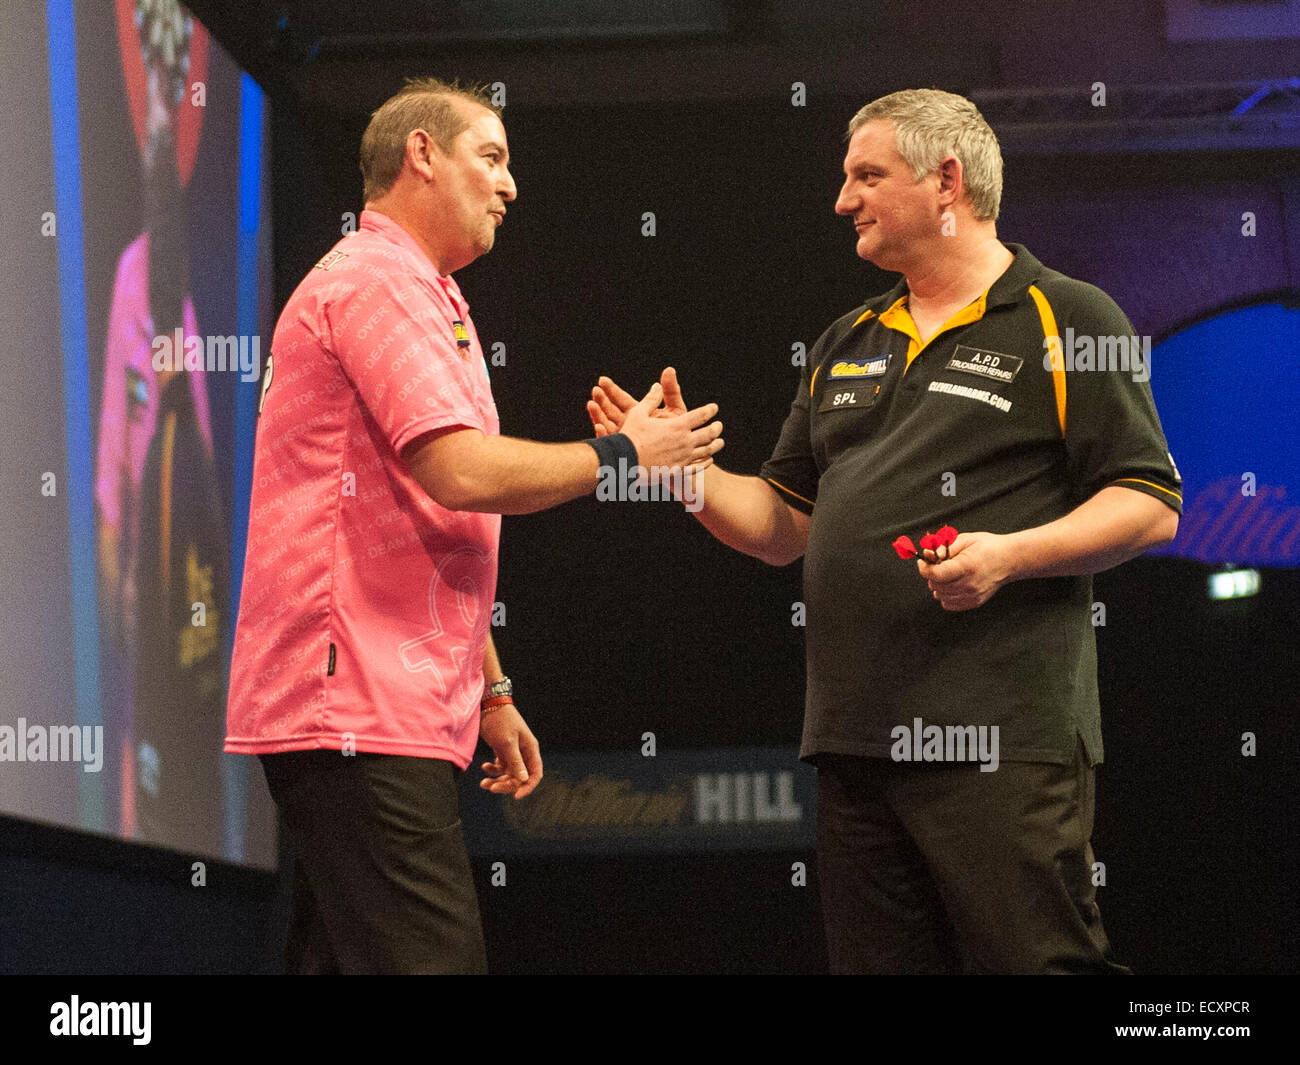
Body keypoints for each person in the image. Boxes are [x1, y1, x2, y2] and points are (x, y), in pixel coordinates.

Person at [588, 88, 1182, 974]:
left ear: (947, 181)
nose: (842, 200)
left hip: (998, 738)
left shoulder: (1069, 317)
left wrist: (1009, 557)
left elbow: (1150, 503)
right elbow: (781, 525)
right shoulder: (847, 339)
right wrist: (679, 471)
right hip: (854, 744)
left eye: (867, 175)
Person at [225, 77, 723, 974]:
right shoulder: (377, 281)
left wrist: (488, 687)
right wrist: (621, 459)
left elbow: (439, 514)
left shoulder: (433, 295)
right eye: (490, 157)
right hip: (352, 701)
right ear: (422, 154)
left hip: (387, 697)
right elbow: (457, 474)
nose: (510, 185)